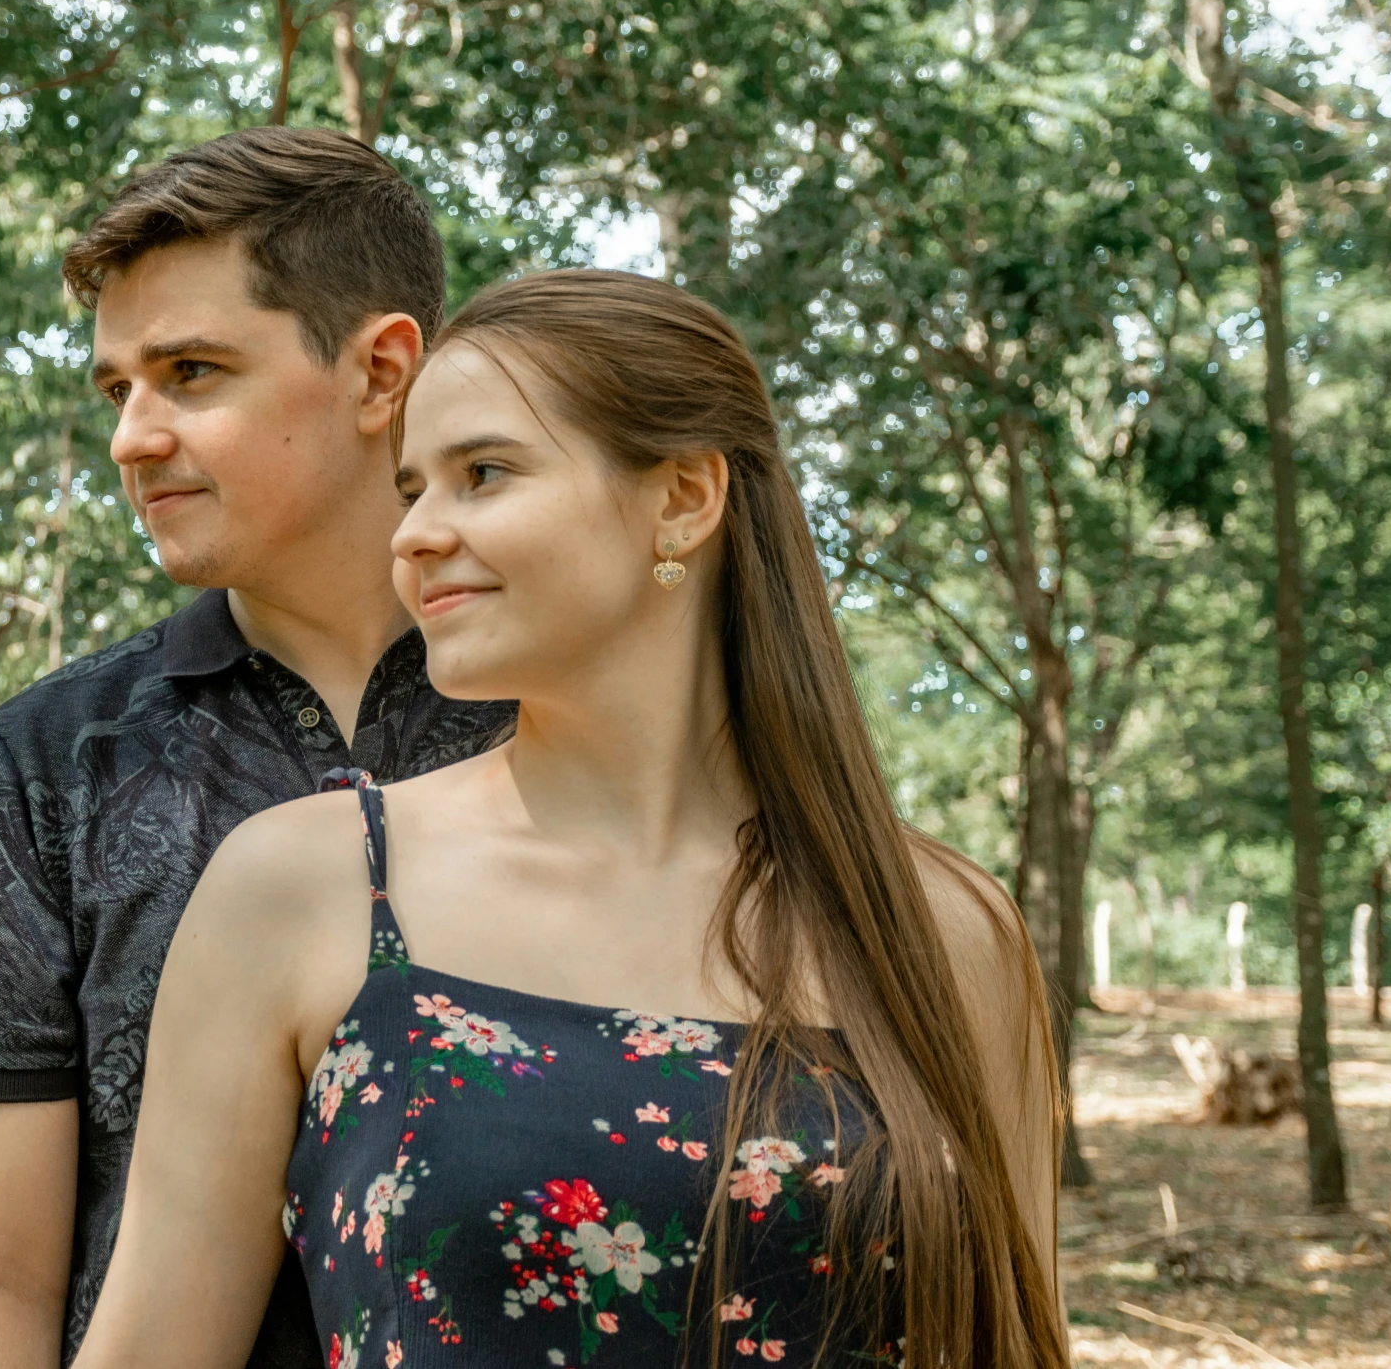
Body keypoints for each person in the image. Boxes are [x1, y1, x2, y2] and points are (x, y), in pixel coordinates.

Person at [73, 269, 1071, 1368]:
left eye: (483, 474)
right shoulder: (307, 887)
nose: (411, 535)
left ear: (684, 497)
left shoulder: (942, 931)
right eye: (412, 488)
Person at [0, 128, 513, 1369]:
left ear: (382, 370)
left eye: (191, 371)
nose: (133, 435)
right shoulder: (48, 762)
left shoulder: (569, 710)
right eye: (118, 388)